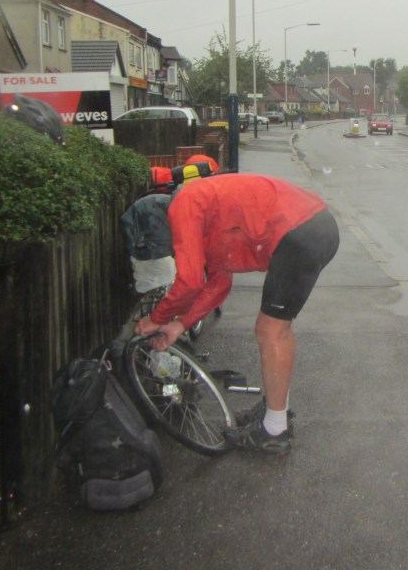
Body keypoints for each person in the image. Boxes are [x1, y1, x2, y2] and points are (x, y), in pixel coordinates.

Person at [133, 173, 340, 454]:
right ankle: (274, 411)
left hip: (299, 231)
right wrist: (180, 325)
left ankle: (274, 432)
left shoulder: (184, 206)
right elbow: (218, 284)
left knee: (270, 331)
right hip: (314, 227)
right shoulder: (204, 216)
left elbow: (191, 282)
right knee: (276, 330)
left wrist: (157, 319)